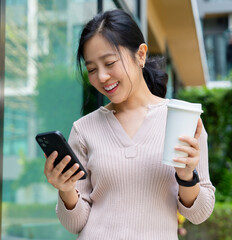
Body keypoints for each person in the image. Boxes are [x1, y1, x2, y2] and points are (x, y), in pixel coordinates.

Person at [43, 9, 215, 239]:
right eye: (92, 69)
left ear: (141, 54)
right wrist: (65, 190)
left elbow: (199, 213)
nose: (102, 77)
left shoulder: (182, 119)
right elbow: (76, 224)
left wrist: (187, 177)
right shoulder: (84, 130)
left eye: (110, 62)